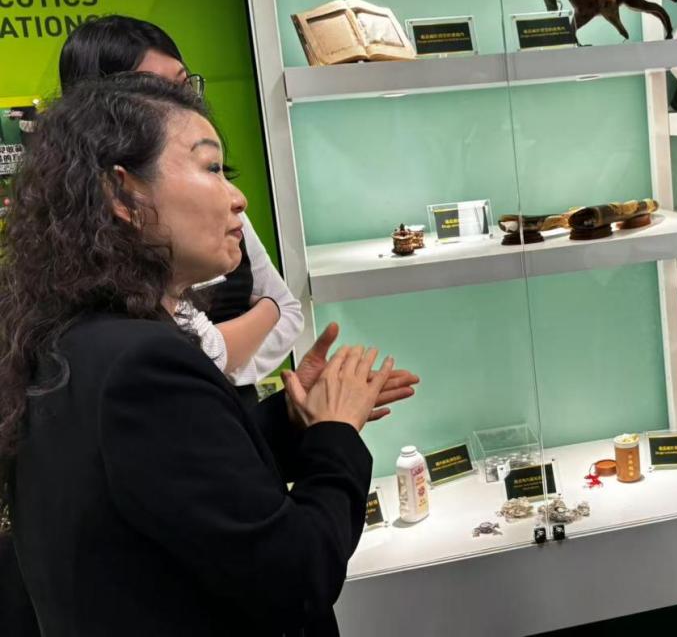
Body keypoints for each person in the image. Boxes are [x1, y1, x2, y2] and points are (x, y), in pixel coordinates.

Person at [0, 75, 416, 636]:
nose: (237, 197)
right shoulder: (142, 364)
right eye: (211, 167)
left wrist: (292, 419)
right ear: (122, 195)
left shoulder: (74, 339)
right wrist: (335, 436)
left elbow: (170, 480)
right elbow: (297, 575)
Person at [58, 14, 301, 404]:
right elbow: (198, 351)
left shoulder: (220, 204)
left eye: (184, 85)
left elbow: (286, 312)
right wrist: (266, 311)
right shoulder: (84, 253)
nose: (237, 200)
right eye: (154, 90)